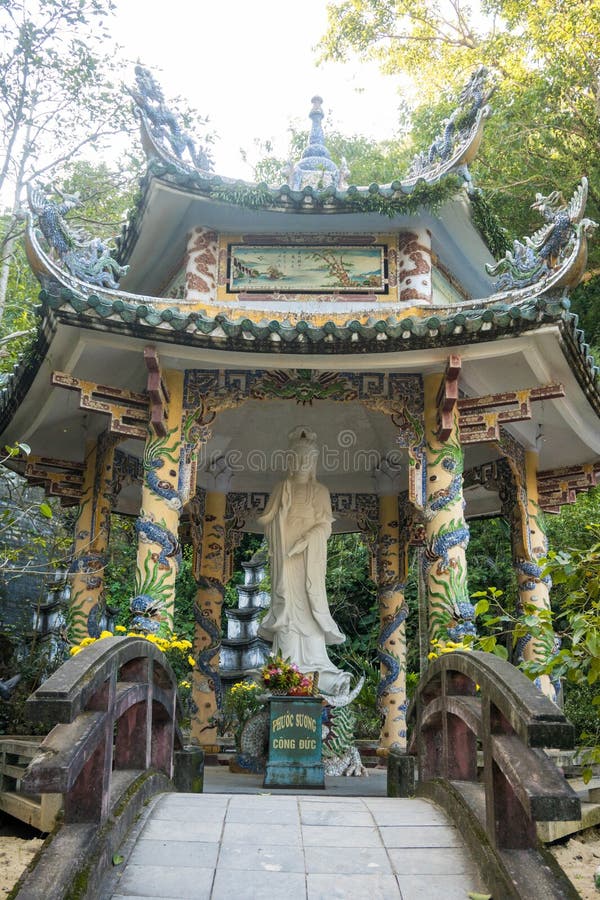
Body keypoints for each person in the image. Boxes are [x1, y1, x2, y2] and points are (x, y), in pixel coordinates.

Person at [257, 426, 351, 694]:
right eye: (297, 459)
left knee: (310, 607)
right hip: (287, 557)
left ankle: (315, 664)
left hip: (309, 558)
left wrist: (309, 537)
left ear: (314, 463)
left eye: (306, 459)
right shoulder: (282, 488)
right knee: (287, 607)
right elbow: (267, 521)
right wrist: (282, 512)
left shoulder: (320, 491)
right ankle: (285, 668)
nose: (301, 464)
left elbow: (326, 525)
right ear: (289, 461)